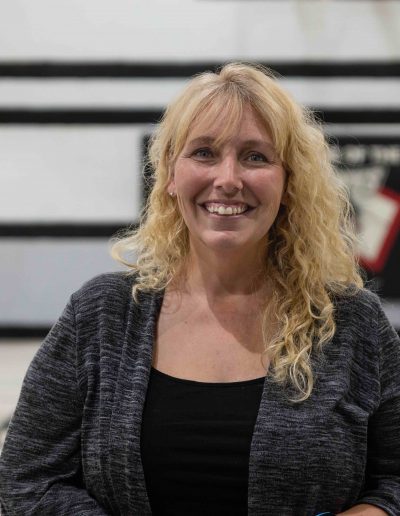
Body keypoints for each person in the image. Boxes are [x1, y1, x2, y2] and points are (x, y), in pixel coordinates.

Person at [0, 62, 399, 516]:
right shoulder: (101, 317)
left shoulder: (351, 324)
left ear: (289, 182)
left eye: (255, 157)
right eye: (204, 153)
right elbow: (26, 480)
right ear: (170, 174)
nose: (227, 179)